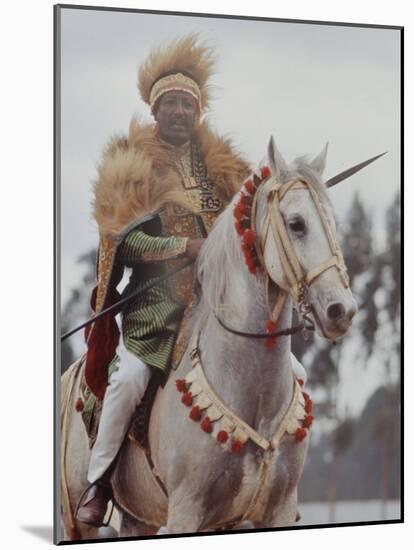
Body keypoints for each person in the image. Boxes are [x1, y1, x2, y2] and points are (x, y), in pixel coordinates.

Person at [75, 34, 250, 527]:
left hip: (214, 306)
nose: (178, 112)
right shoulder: (133, 164)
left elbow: (242, 230)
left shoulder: (224, 169)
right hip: (155, 309)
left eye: (186, 104)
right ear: (155, 111)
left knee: (289, 369)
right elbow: (125, 243)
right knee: (128, 380)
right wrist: (182, 247)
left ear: (198, 111)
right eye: (170, 103)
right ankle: (99, 481)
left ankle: (270, 478)